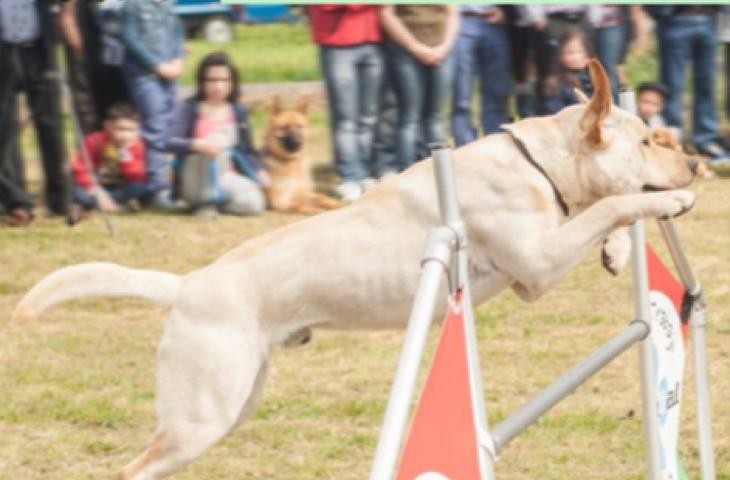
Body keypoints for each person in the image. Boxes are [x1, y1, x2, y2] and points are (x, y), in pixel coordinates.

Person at [166, 52, 268, 219]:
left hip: (225, 174)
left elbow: (247, 149)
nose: (218, 86)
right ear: (202, 82)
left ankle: (218, 203)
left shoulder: (238, 110)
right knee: (213, 143)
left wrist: (259, 170)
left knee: (255, 203)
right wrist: (196, 145)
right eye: (212, 80)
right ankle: (203, 202)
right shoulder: (189, 108)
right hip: (196, 174)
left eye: (223, 80)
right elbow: (167, 141)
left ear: (232, 82)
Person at [0, 0, 71, 222]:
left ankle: (60, 201)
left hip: (39, 49)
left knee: (50, 126)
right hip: (3, 49)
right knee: (5, 129)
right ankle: (16, 202)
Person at [307, 5, 383, 203]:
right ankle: (350, 176)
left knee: (369, 116)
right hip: (337, 43)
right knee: (345, 118)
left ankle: (364, 172)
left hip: (373, 39)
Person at [647, 5, 730, 170]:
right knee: (672, 85)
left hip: (709, 18)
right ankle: (671, 139)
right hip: (675, 18)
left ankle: (705, 139)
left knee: (706, 84)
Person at [120, 0, 185, 205]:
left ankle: (175, 183)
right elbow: (130, 39)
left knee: (173, 129)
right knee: (154, 129)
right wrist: (157, 65)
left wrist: (178, 60)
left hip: (170, 75)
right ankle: (156, 188)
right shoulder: (133, 5)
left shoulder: (167, 4)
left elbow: (177, 34)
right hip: (145, 77)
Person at [381, 5, 459, 169]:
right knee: (409, 117)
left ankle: (440, 172)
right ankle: (406, 170)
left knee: (435, 118)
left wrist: (444, 47)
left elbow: (452, 12)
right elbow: (386, 13)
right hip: (405, 52)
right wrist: (415, 48)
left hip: (442, 51)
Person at [59, 0, 129, 134]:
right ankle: (92, 148)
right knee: (89, 105)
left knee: (120, 104)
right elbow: (67, 13)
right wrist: (69, 23)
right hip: (87, 35)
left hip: (118, 40)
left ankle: (123, 148)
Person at [451, 5, 510, 146]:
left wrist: (506, 10)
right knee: (461, 100)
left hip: (495, 22)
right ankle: (465, 150)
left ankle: (495, 148)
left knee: (496, 96)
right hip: (461, 18)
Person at [71, 103, 147, 213]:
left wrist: (126, 156)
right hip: (94, 185)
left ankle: (105, 204)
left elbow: (136, 175)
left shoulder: (137, 145)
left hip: (117, 187)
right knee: (78, 193)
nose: (126, 135)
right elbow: (80, 168)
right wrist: (95, 190)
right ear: (108, 126)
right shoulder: (94, 141)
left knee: (138, 188)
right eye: (121, 129)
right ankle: (109, 204)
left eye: (132, 130)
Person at [541, 28, 594, 115]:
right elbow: (554, 114)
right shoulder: (556, 84)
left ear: (588, 56)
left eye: (578, 52)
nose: (574, 57)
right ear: (560, 57)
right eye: (569, 53)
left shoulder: (595, 81)